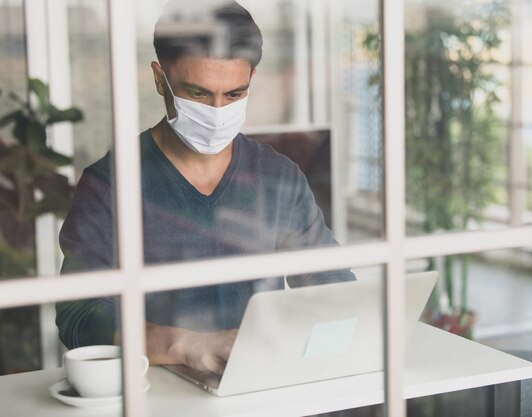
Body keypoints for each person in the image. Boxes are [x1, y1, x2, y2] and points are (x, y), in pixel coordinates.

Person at [56, 0, 354, 376]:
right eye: (197, 94)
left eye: (233, 94)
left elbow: (329, 280)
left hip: (259, 383)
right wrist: (185, 344)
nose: (216, 112)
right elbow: (79, 315)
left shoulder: (278, 177)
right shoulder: (111, 184)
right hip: (156, 393)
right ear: (159, 78)